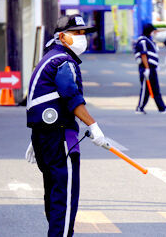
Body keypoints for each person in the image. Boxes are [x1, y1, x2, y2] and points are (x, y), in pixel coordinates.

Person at [24, 14, 108, 237]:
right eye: (77, 33)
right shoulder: (63, 61)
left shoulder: (49, 58)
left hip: (45, 134)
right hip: (59, 135)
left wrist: (38, 135)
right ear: (62, 36)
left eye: (84, 34)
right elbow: (70, 95)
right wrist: (94, 125)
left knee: (53, 192)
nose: (82, 38)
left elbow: (39, 98)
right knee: (65, 195)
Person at [134, 23, 166, 114]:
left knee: (155, 88)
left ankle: (162, 108)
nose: (154, 33)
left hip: (152, 68)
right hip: (146, 68)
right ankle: (139, 108)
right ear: (149, 31)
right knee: (145, 89)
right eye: (152, 31)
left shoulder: (148, 40)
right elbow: (143, 55)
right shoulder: (143, 41)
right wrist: (147, 68)